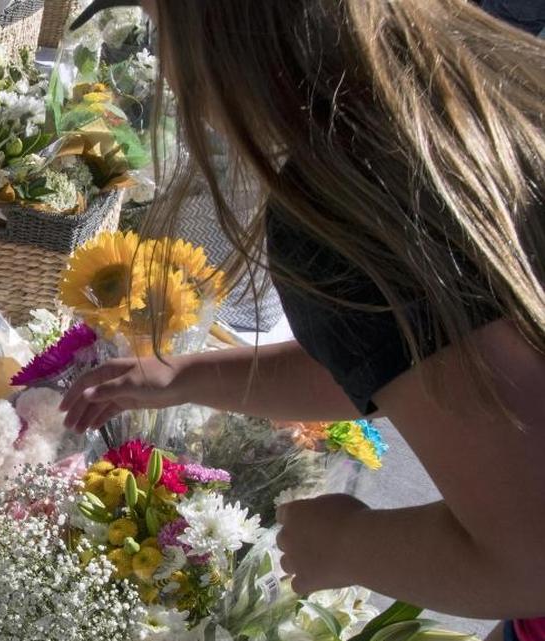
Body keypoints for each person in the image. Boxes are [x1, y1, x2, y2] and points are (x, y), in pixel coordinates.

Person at [61, 0, 545, 637]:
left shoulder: (354, 198)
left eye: (164, 28)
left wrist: (348, 544)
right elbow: (392, 362)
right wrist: (179, 375)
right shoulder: (474, 91)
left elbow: (528, 556)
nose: (168, 71)